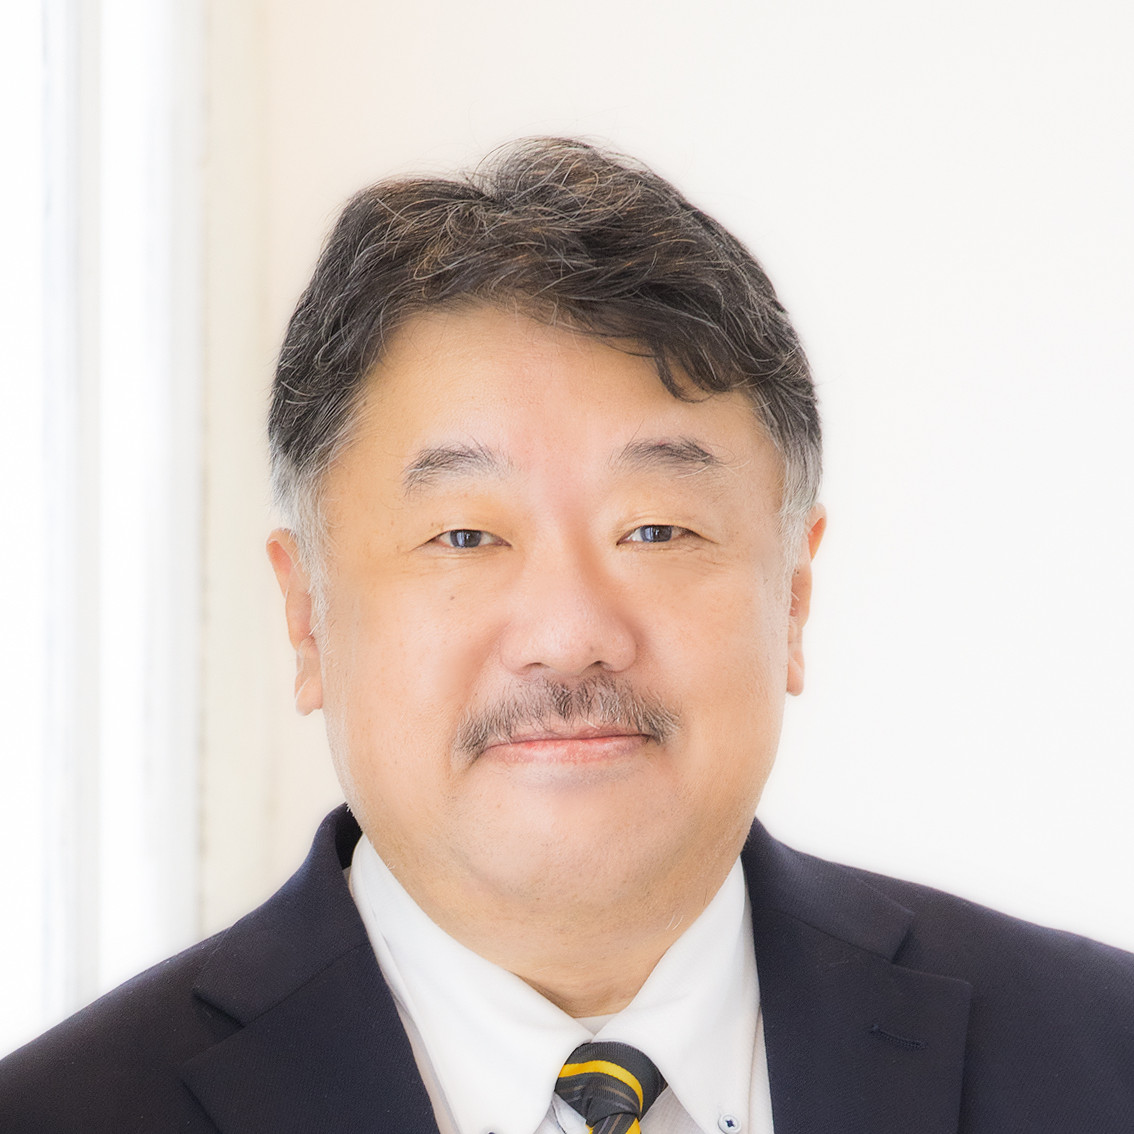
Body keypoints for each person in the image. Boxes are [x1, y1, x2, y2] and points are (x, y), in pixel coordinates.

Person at [2, 137, 1132, 1133]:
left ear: (793, 594)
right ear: (307, 618)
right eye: (464, 536)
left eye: (657, 529)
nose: (569, 634)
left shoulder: (1102, 1061)